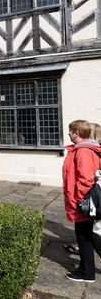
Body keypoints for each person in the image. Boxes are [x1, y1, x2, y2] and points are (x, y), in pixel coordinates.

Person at [63, 119, 101, 282]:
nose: (68, 134)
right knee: (86, 235)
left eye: (70, 131)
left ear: (76, 133)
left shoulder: (83, 151)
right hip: (84, 200)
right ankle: (86, 271)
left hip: (83, 201)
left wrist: (79, 200)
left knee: (87, 236)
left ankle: (86, 273)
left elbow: (85, 179)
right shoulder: (85, 148)